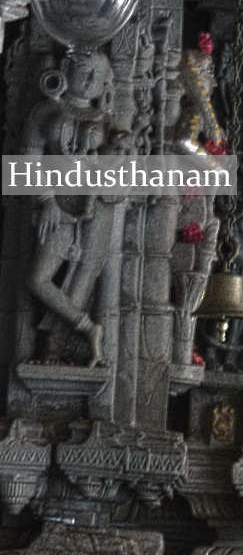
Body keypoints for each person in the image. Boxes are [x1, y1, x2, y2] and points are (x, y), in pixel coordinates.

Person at [22, 51, 131, 365]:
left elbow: (123, 167)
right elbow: (26, 159)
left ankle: (55, 347)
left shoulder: (106, 121)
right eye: (84, 71)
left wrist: (117, 154)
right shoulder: (46, 111)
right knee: (36, 279)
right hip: (55, 204)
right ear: (66, 69)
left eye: (98, 75)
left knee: (85, 272)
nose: (89, 81)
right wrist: (45, 200)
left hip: (95, 207)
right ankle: (88, 328)